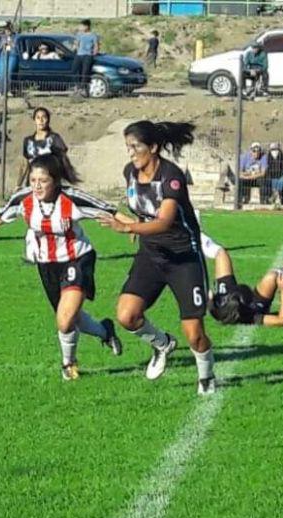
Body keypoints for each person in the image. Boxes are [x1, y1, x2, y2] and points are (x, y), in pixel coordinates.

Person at [0, 154, 123, 380]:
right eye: (33, 180)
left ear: (55, 180)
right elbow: (0, 215)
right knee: (68, 318)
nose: (36, 185)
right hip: (46, 264)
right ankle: (105, 331)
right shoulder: (23, 199)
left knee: (65, 319)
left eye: (42, 180)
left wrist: (134, 227)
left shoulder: (71, 199)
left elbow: (110, 211)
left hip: (77, 259)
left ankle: (68, 364)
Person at [96, 121, 216, 395]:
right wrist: (137, 224)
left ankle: (207, 378)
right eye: (127, 147)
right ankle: (163, 344)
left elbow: (164, 221)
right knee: (127, 315)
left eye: (135, 147)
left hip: (182, 256)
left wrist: (129, 227)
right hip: (151, 254)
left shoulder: (171, 176)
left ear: (153, 147)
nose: (131, 153)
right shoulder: (130, 172)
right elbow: (142, 207)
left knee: (194, 333)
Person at [203, 232, 283, 327]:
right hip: (255, 305)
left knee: (221, 253)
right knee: (272, 277)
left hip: (229, 298)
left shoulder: (218, 306)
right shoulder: (251, 316)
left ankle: (195, 235)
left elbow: (208, 297)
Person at [18, 107, 71, 190]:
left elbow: (62, 161)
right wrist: (18, 185)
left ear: (48, 120)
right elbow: (25, 164)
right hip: (33, 184)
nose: (41, 120)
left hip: (50, 184)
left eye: (44, 117)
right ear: (34, 120)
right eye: (38, 117)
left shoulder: (54, 139)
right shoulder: (28, 141)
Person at [73, 19, 99, 96]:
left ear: (87, 26)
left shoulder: (93, 35)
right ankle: (77, 86)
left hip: (88, 56)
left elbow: (96, 46)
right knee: (74, 70)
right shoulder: (79, 35)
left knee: (85, 72)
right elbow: (76, 44)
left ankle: (83, 88)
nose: (80, 28)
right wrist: (76, 49)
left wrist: (94, 53)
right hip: (79, 55)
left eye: (82, 26)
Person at [266, 142, 283, 208]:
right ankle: (276, 195)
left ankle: (275, 195)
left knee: (282, 180)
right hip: (271, 177)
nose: (274, 151)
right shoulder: (268, 158)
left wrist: (282, 174)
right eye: (272, 149)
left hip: (281, 176)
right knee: (273, 181)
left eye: (275, 149)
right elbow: (267, 170)